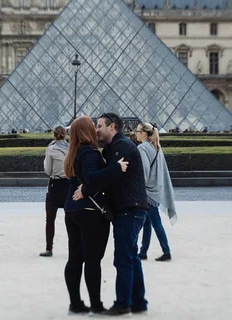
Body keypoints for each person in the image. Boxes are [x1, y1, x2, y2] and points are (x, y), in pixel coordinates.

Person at [79, 112, 149, 316]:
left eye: (99, 126)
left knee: (123, 259)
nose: (96, 130)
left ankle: (123, 304)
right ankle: (138, 302)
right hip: (131, 208)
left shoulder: (122, 147)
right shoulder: (115, 147)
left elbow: (109, 177)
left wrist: (86, 187)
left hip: (129, 209)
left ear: (112, 127)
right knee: (131, 257)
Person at [63, 116, 127, 315]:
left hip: (71, 211)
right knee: (92, 260)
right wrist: (116, 168)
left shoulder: (72, 153)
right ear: (85, 131)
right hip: (90, 213)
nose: (96, 129)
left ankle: (75, 304)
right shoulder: (89, 152)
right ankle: (96, 306)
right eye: (93, 126)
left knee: (74, 259)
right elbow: (91, 178)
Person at [136, 122, 176, 262]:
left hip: (148, 192)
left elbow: (145, 172)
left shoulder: (142, 148)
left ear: (144, 134)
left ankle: (166, 251)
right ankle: (143, 252)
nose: (136, 133)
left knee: (155, 222)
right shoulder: (156, 147)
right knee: (147, 222)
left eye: (138, 131)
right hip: (155, 189)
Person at [39, 126, 69, 257]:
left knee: (50, 219)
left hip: (54, 185)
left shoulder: (50, 149)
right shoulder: (71, 148)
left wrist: (45, 161)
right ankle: (73, 247)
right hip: (68, 184)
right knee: (71, 218)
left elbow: (47, 171)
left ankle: (48, 248)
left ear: (54, 135)